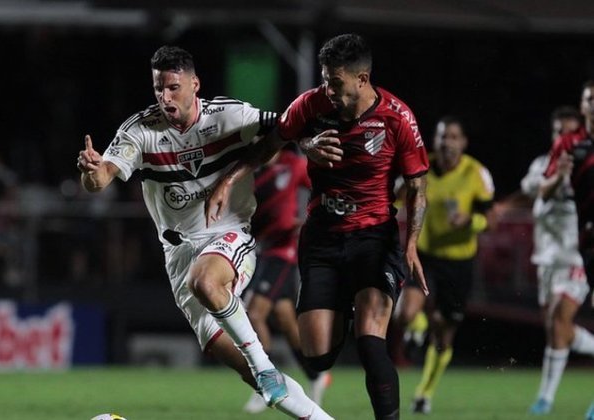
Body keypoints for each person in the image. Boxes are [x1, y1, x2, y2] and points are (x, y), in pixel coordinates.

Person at [76, 45, 332, 419]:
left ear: (195, 84)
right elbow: (99, 182)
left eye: (173, 87)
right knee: (259, 380)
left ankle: (262, 362)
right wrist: (90, 170)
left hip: (229, 235)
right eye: (158, 89)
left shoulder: (228, 116)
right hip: (178, 256)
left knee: (207, 283)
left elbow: (286, 127)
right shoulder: (141, 131)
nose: (165, 97)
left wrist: (309, 143)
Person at [207, 33, 429, 420]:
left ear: (362, 79)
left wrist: (410, 245)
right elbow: (268, 145)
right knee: (318, 355)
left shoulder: (398, 118)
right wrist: (230, 179)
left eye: (336, 82)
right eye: (325, 79)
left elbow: (417, 187)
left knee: (370, 343)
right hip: (323, 238)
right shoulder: (311, 105)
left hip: (374, 237)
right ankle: (344, 300)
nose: (328, 89)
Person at [392, 116, 494, 414]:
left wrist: (470, 221)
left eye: (452, 136)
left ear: (463, 142)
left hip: (459, 260)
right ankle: (417, 326)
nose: (446, 142)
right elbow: (392, 201)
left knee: (444, 330)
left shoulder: (477, 173)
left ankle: (424, 393)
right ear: (433, 141)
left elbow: (491, 219)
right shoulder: (419, 168)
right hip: (423, 254)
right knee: (405, 313)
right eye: (441, 137)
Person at [241, 147, 332, 414]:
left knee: (254, 314)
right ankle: (316, 375)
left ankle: (264, 381)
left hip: (283, 251)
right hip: (262, 249)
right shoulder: (253, 170)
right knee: (284, 318)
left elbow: (323, 186)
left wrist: (308, 220)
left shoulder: (294, 164)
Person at [521, 105, 594, 415]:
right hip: (547, 260)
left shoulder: (585, 164)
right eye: (557, 132)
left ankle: (545, 400)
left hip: (576, 254)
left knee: (559, 320)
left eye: (568, 131)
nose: (562, 137)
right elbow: (532, 192)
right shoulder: (543, 165)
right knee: (557, 330)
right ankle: (546, 399)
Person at [543, 81, 594, 420]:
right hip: (587, 243)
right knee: (555, 319)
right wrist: (560, 177)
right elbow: (543, 193)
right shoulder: (570, 145)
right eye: (591, 99)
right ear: (583, 106)